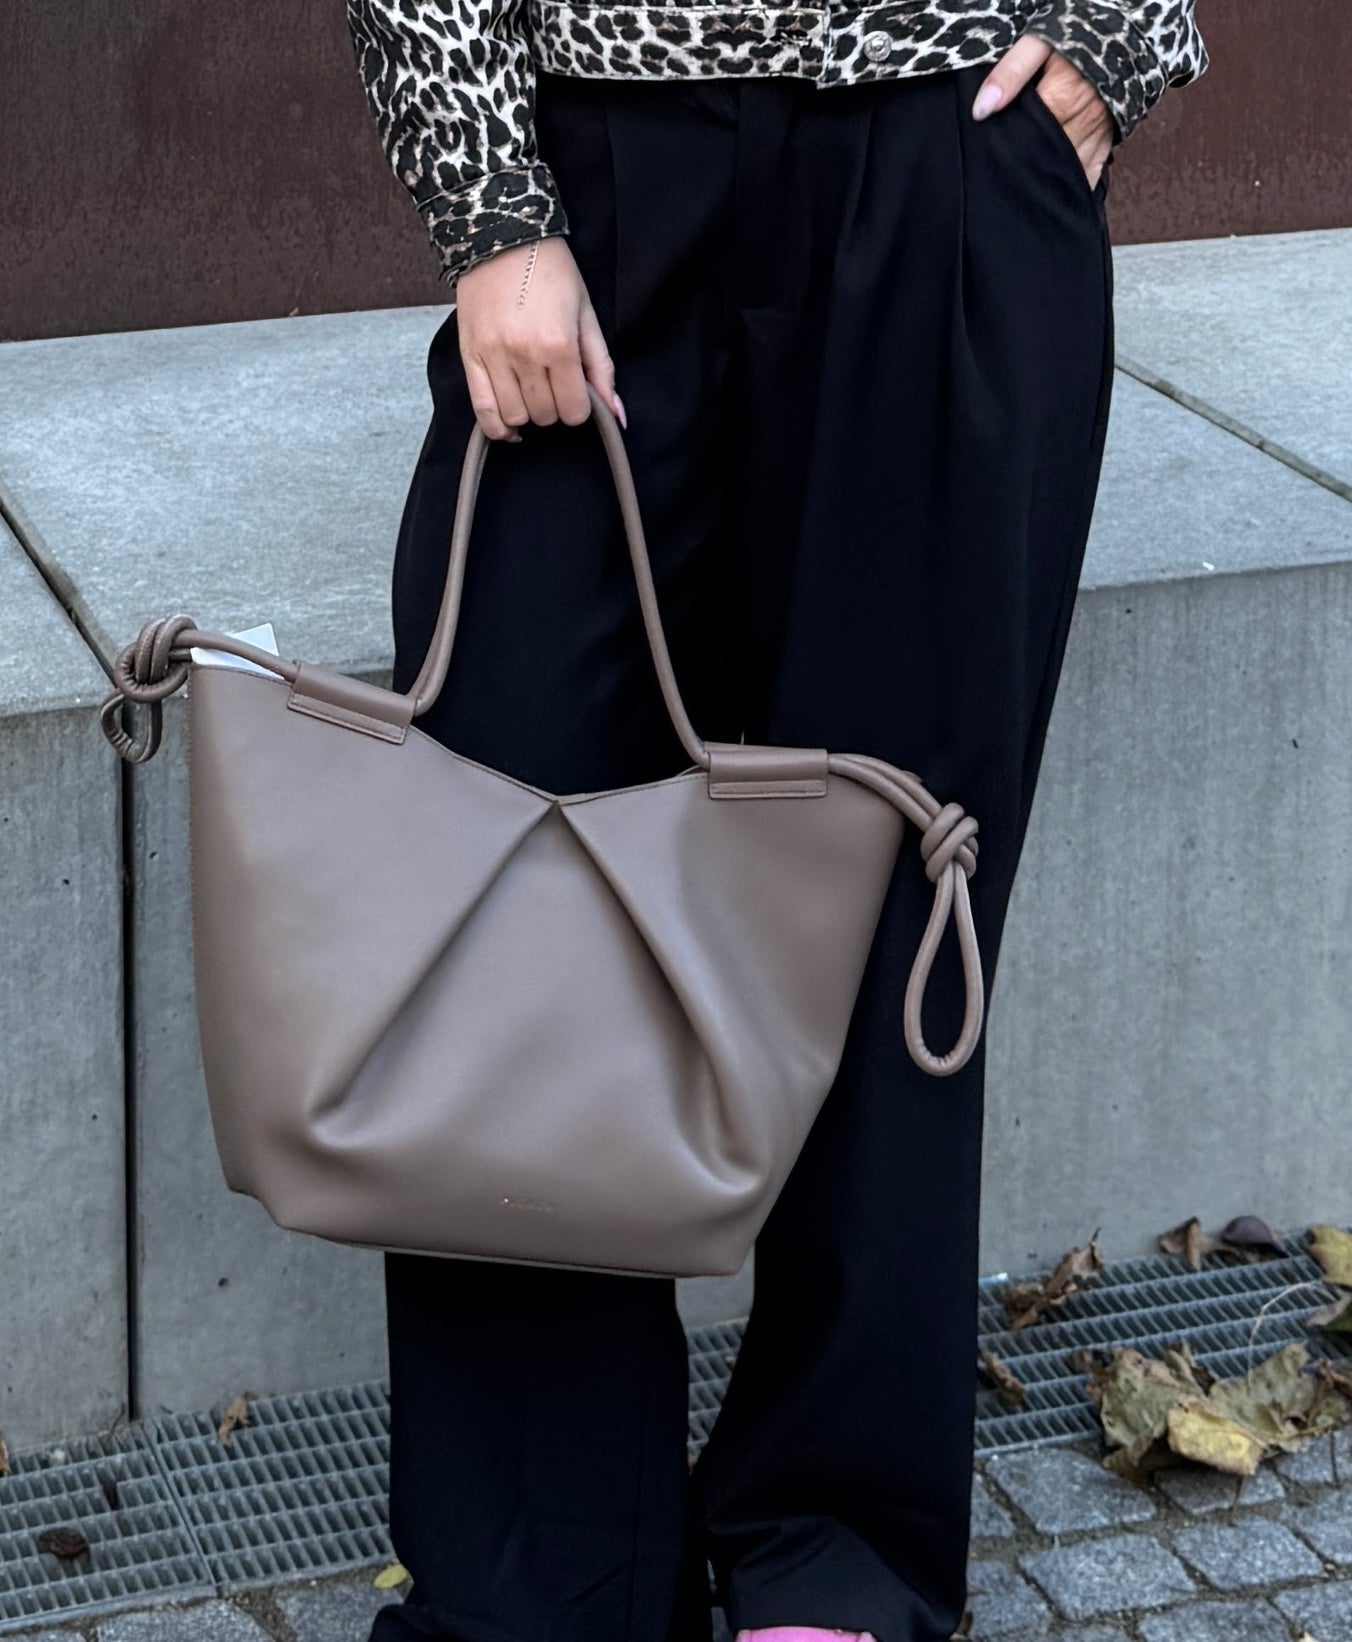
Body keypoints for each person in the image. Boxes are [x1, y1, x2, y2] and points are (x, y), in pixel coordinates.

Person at [342, 0, 1208, 1636]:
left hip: (950, 145)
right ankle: (543, 1575)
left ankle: (839, 1549)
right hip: (591, 169)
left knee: (895, 893)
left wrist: (1118, 35)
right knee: (518, 874)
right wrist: (488, 204)